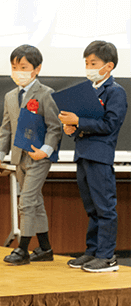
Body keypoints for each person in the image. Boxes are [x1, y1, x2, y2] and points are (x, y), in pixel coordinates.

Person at [0, 44, 62, 266]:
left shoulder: (46, 94)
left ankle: (22, 249)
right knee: (35, 202)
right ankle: (46, 248)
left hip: (39, 158)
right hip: (18, 158)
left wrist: (46, 151)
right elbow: (5, 129)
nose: (18, 71)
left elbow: (55, 127)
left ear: (36, 69)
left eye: (23, 66)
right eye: (14, 66)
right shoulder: (10, 96)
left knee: (27, 201)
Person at [59, 40, 127, 273]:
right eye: (86, 63)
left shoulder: (115, 92)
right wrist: (72, 129)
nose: (88, 67)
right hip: (83, 154)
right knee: (92, 208)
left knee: (105, 207)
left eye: (93, 63)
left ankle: (107, 257)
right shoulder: (90, 90)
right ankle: (92, 252)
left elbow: (110, 124)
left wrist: (78, 121)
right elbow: (87, 124)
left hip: (100, 156)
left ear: (108, 66)